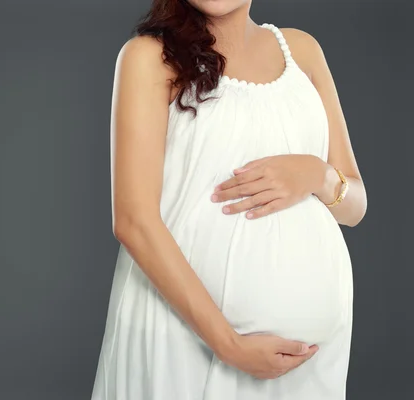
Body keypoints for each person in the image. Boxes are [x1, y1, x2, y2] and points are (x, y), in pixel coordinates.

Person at [91, 0, 367, 399]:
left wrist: (317, 174)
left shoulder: (303, 50)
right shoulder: (150, 56)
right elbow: (134, 221)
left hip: (310, 362)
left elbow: (354, 206)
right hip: (186, 341)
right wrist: (228, 344)